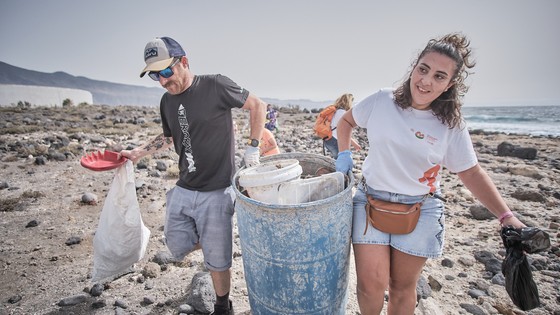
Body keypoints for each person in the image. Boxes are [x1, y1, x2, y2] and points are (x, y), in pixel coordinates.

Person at [334, 33, 526, 315]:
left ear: (449, 85)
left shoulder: (451, 124)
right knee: (370, 285)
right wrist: (344, 154)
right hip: (370, 200)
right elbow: (347, 121)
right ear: (414, 67)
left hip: (420, 207)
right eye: (423, 69)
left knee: (401, 287)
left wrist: (506, 215)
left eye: (439, 76)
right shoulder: (381, 100)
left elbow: (471, 172)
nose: (426, 81)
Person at [120, 36, 266, 315]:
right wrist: (137, 152)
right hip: (185, 187)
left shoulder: (215, 85)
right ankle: (213, 246)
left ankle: (223, 305)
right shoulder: (166, 101)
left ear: (184, 62)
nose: (163, 81)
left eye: (166, 71)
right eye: (155, 75)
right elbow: (167, 137)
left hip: (217, 189)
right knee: (176, 245)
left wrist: (253, 149)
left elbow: (258, 105)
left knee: (218, 258)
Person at [323, 93, 361, 159]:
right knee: (342, 160)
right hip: (334, 140)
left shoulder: (336, 111)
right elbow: (344, 132)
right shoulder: (342, 113)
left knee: (338, 160)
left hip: (328, 139)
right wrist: (355, 144)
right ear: (348, 102)